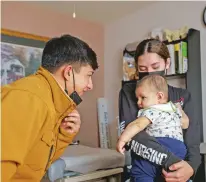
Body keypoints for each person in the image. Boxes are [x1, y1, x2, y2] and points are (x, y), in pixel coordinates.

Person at [1, 34, 98, 181]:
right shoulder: (29, 97)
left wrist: (64, 135)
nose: (90, 85)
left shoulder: (50, 101)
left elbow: (39, 163)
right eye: (88, 76)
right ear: (68, 72)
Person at [119, 38, 201, 182]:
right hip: (147, 166)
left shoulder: (183, 96)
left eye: (155, 66)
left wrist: (190, 168)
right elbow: (133, 134)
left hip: (178, 169)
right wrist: (170, 160)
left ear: (167, 63)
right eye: (143, 69)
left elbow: (192, 137)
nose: (149, 73)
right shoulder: (129, 91)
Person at [117, 74, 189, 182]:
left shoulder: (151, 110)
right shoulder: (173, 108)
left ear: (159, 97)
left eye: (143, 97)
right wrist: (180, 111)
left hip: (159, 144)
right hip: (179, 148)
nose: (138, 102)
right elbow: (185, 123)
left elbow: (137, 125)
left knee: (142, 170)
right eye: (137, 98)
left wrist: (123, 139)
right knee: (173, 175)